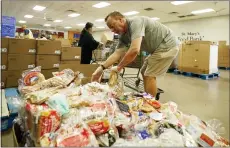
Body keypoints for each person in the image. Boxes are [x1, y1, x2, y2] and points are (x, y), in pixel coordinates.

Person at [91, 11, 179, 97]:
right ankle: (147, 97)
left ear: (121, 20)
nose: (112, 30)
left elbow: (134, 50)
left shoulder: (135, 23)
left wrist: (119, 67)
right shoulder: (123, 36)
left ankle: (151, 104)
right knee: (144, 72)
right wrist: (101, 68)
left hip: (167, 45)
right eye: (110, 28)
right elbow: (117, 53)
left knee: (149, 75)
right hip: (156, 50)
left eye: (113, 26)